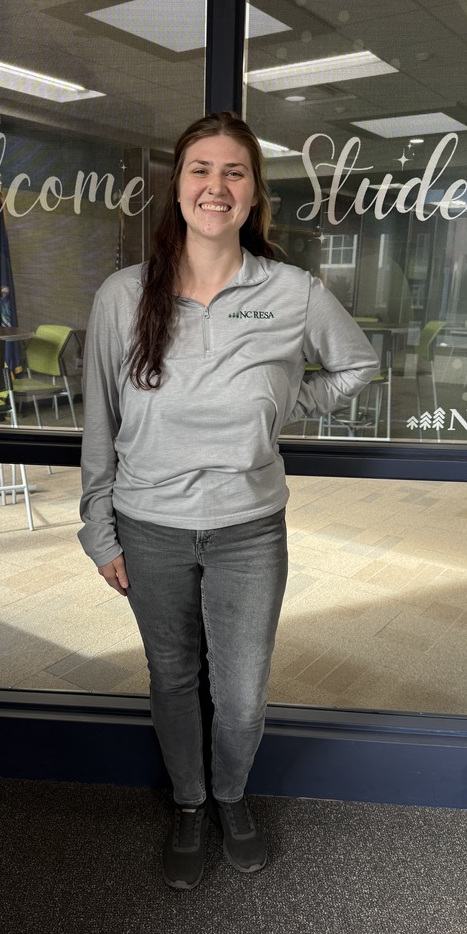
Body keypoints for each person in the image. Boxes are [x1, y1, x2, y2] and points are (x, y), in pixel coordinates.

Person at [79, 111, 379, 890]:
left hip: (249, 529)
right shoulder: (124, 295)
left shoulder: (291, 292)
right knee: (172, 678)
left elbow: (356, 367)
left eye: (234, 173)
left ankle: (230, 796)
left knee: (241, 695)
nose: (217, 186)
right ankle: (187, 805)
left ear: (253, 196)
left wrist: (281, 405)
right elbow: (100, 420)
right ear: (178, 187)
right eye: (201, 170)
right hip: (151, 526)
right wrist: (99, 529)